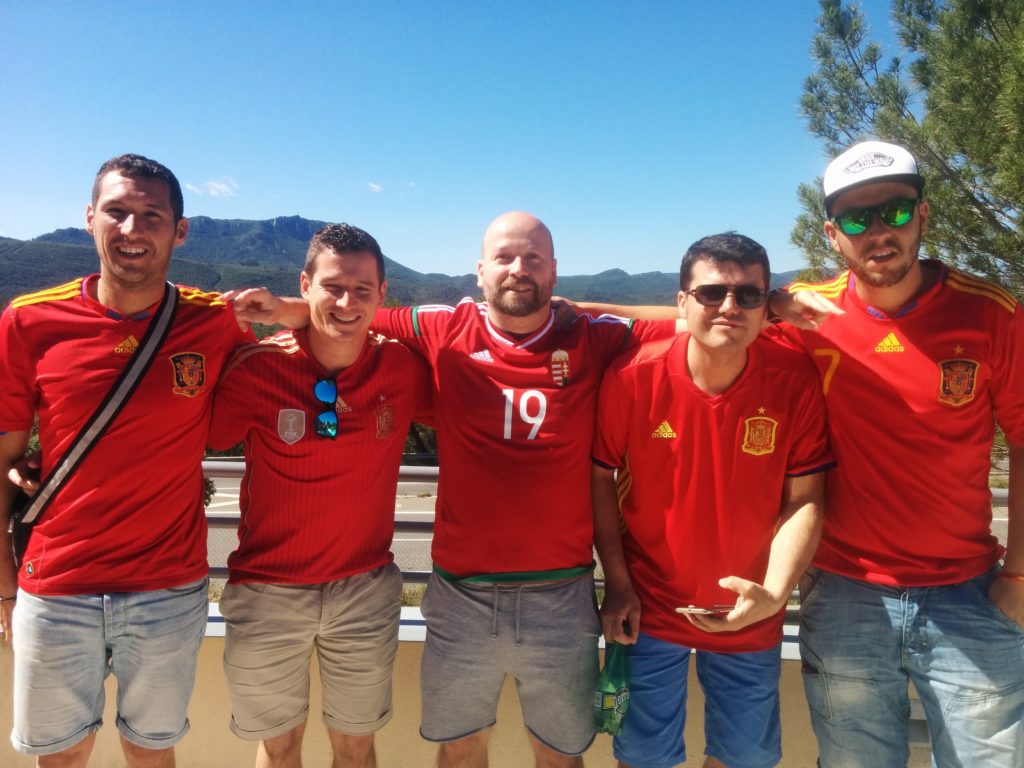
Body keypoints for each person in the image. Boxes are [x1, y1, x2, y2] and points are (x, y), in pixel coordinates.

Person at [231, 211, 676, 768]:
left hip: (562, 593)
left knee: (560, 755)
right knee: (459, 750)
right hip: (460, 593)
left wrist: (585, 306)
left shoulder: (593, 335)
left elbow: (694, 319)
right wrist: (285, 310)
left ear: (555, 271)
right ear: (480, 270)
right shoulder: (444, 325)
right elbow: (348, 312)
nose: (518, 269)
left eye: (534, 259)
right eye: (504, 257)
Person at [774, 140, 1024, 766]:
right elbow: (702, 319)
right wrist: (564, 312)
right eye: (857, 219)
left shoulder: (989, 313)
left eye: (896, 210)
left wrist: (1020, 576)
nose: (878, 231)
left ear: (924, 214)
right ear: (832, 234)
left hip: (970, 591)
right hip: (844, 593)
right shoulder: (809, 315)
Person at [0, 154, 252, 767]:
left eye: (151, 215)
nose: (132, 229)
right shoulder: (28, 321)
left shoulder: (215, 320)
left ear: (179, 230)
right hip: (55, 586)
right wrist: (4, 586)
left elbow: (315, 332)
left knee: (152, 754)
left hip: (168, 585)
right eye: (117, 211)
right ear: (90, 218)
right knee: (60, 757)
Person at [592, 233, 833, 768]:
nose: (729, 306)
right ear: (682, 302)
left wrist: (774, 593)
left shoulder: (793, 378)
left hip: (751, 609)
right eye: (711, 293)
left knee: (745, 758)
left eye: (748, 295)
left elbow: (806, 497)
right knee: (642, 758)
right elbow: (600, 480)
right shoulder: (633, 376)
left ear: (767, 306)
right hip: (649, 607)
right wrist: (618, 583)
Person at [207, 223, 432, 768]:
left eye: (361, 289)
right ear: (305, 285)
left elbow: (477, 383)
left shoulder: (402, 367)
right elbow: (177, 433)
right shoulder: (257, 368)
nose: (347, 302)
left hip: (364, 590)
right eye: (332, 287)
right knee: (279, 745)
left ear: (382, 295)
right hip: (267, 590)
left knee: (355, 746)